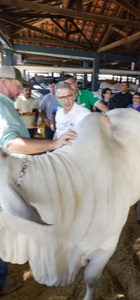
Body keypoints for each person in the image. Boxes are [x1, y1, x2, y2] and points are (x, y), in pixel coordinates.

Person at [0, 66, 77, 297]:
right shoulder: (2, 104)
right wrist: (52, 145)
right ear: (4, 82)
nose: (20, 88)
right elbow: (11, 143)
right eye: (17, 84)